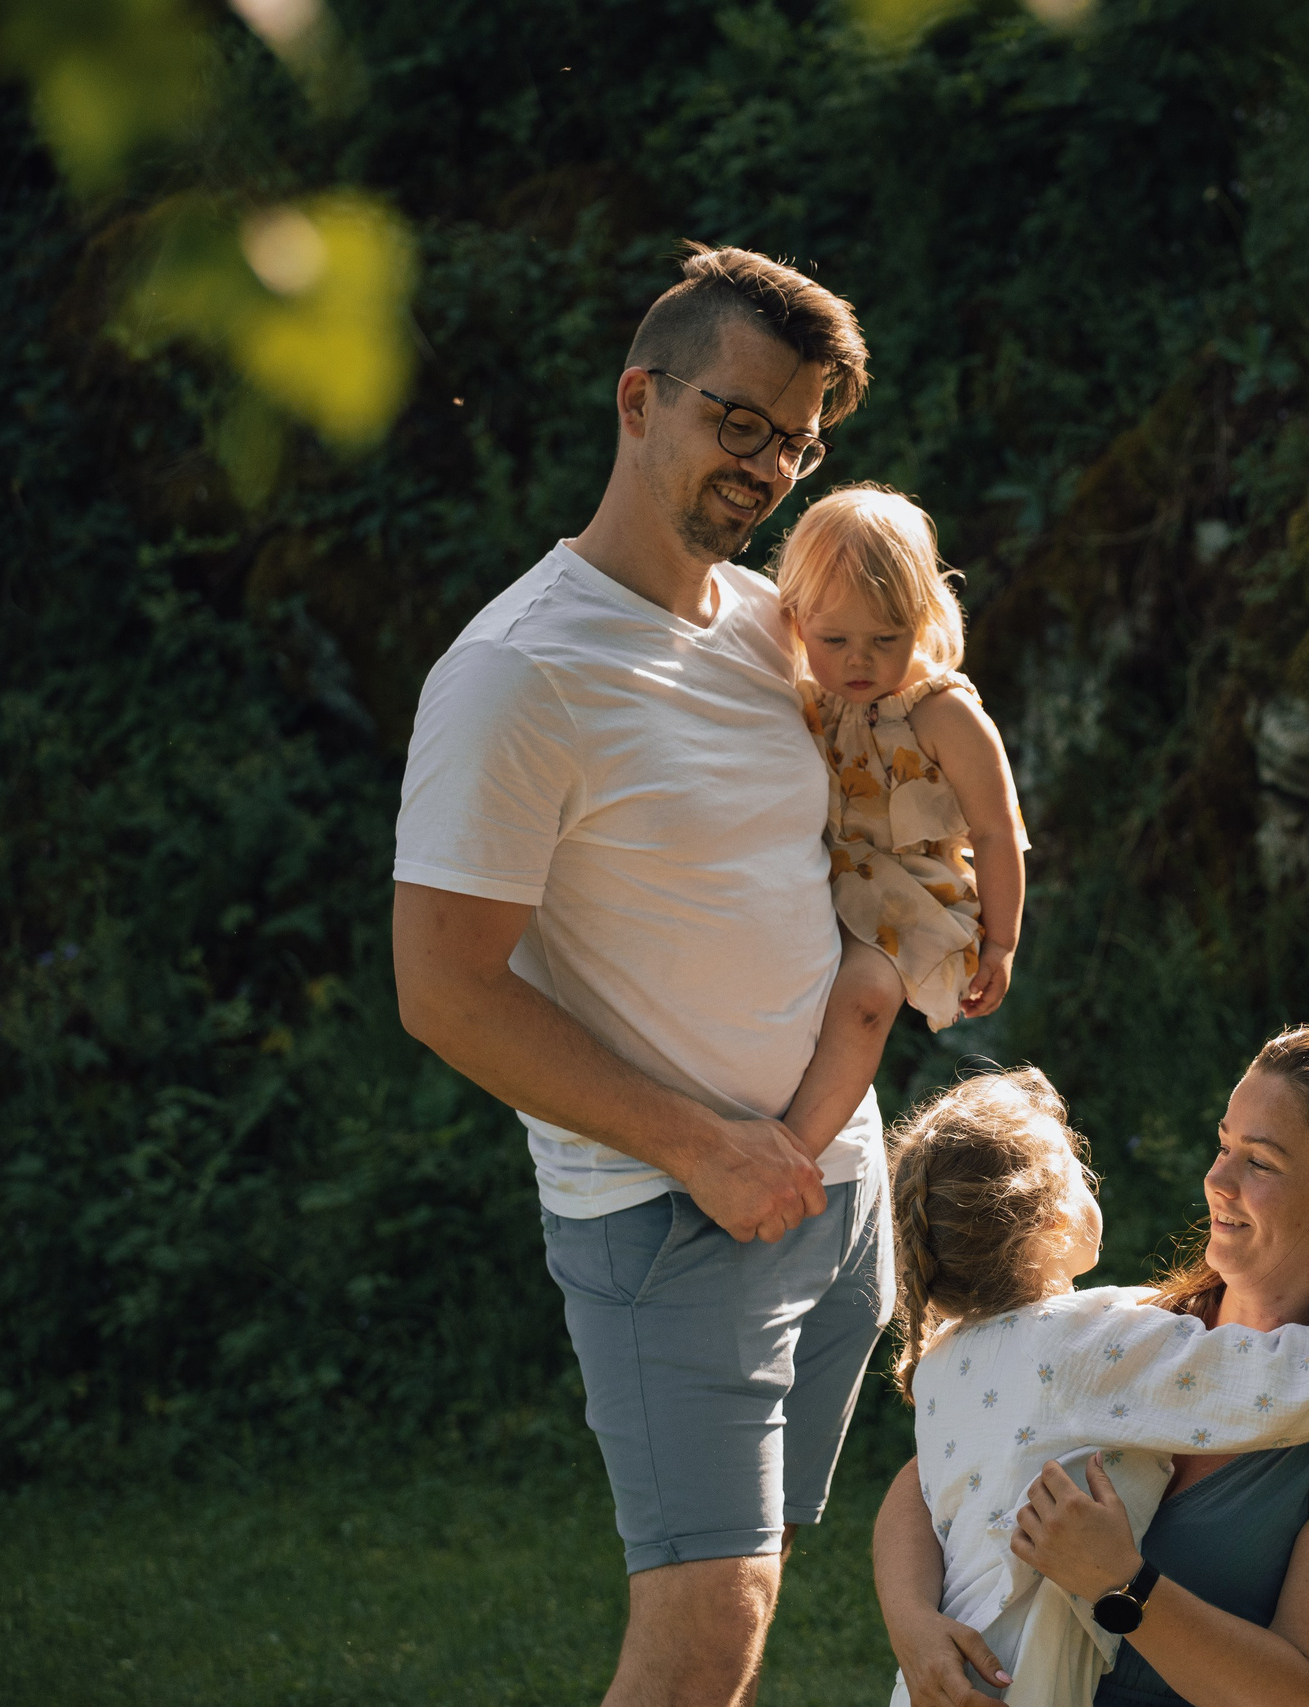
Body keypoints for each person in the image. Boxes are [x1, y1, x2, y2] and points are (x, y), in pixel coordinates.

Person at [391, 243, 886, 1707]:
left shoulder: (772, 624)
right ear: (637, 399)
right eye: (741, 422)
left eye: (798, 440)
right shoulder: (518, 671)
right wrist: (704, 1147)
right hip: (673, 1213)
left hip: (832, 1189)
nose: (770, 466)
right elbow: (444, 989)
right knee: (700, 1637)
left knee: (751, 1586)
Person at [874, 1027, 1309, 1707]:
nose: (1217, 1179)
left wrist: (1120, 1583)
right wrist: (914, 1623)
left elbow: (1301, 1693)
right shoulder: (1125, 1336)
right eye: (1224, 1145)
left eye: (1259, 1162)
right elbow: (928, 1478)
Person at [774, 485, 1029, 1154]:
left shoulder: (944, 712)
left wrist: (1001, 944)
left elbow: (997, 830)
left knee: (864, 1001)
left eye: (885, 639)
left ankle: (794, 1152)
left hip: (908, 894)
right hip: (817, 877)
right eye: (834, 639)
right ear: (796, 620)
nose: (858, 660)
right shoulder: (805, 693)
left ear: (923, 617)